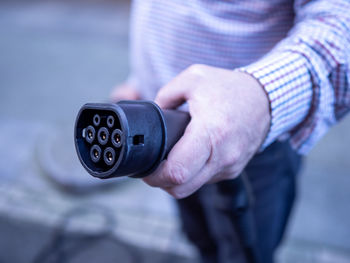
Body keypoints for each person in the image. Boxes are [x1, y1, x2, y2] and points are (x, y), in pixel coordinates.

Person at [111, 1, 350, 262]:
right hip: (165, 130)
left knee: (245, 251)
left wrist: (261, 98)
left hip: (253, 146)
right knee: (199, 235)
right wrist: (140, 79)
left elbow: (340, 25)